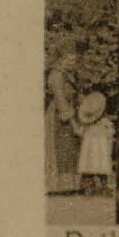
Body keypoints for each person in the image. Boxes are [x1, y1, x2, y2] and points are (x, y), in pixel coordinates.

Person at [45, 57, 80, 195]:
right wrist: (74, 124)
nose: (73, 63)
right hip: (59, 115)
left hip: (69, 113)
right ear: (60, 59)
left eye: (74, 60)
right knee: (61, 147)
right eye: (70, 59)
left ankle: (70, 184)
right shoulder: (56, 76)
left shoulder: (67, 74)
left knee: (69, 148)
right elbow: (61, 101)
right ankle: (59, 185)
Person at [74, 91, 115, 197]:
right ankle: (97, 187)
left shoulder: (88, 126)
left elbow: (79, 132)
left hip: (90, 154)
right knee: (101, 168)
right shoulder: (104, 123)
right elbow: (111, 133)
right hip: (100, 152)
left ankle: (91, 187)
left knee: (89, 168)